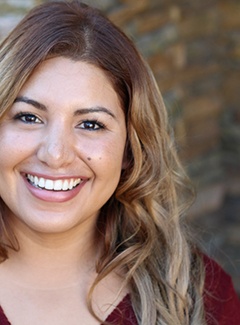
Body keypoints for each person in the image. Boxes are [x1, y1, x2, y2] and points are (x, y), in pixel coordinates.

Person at [0, 1, 239, 324]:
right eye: (28, 117)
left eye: (90, 124)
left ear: (130, 148)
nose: (55, 155)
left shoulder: (199, 296)